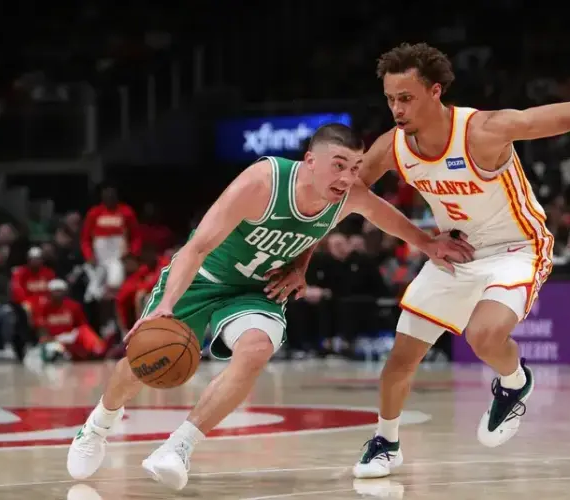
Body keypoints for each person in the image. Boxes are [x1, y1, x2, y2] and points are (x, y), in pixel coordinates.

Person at [264, 43, 570, 479]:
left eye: (406, 98)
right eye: (390, 99)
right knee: (400, 358)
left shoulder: (484, 131)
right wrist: (303, 261)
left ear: (435, 92)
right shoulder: (391, 146)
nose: (396, 109)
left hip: (518, 248)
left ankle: (514, 381)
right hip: (455, 250)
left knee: (483, 335)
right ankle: (386, 442)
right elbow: (342, 199)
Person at [65, 123, 474, 490]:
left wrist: (428, 245)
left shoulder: (347, 196)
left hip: (257, 290)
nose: (349, 177)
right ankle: (99, 423)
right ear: (309, 161)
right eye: (339, 165)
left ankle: (177, 448)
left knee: (257, 348)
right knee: (142, 366)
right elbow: (198, 247)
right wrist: (163, 308)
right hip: (203, 278)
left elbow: (385, 216)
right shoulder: (263, 182)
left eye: (356, 166)